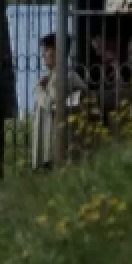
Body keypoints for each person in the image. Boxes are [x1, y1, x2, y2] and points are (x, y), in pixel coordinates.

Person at [35, 33, 88, 170]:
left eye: (47, 50)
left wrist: (39, 89)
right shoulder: (55, 74)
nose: (43, 55)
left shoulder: (65, 76)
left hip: (61, 138)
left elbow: (50, 103)